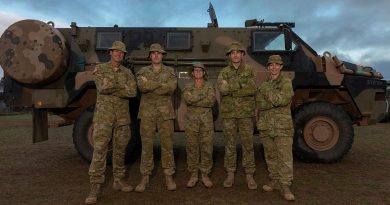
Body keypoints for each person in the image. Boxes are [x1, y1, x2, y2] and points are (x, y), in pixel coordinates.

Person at [85, 41, 137, 205]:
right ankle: (94, 188)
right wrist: (120, 86)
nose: (119, 54)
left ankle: (118, 180)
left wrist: (113, 85)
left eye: (122, 52)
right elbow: (102, 87)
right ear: (110, 52)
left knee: (120, 150)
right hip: (104, 118)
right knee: (99, 150)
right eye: (116, 51)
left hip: (122, 118)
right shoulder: (101, 68)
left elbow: (132, 92)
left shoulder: (128, 72)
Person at [135, 43, 177, 192]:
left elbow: (171, 88)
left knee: (167, 146)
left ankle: (168, 175)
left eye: (159, 53)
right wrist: (161, 85)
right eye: (153, 53)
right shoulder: (142, 71)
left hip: (165, 114)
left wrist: (151, 84)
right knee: (146, 146)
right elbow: (142, 87)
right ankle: (145, 177)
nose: (156, 55)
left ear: (162, 55)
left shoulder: (170, 71)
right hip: (147, 113)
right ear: (150, 56)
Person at [217, 42, 257, 190]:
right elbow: (222, 88)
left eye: (238, 52)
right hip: (229, 115)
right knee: (230, 145)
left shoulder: (250, 70)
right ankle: (230, 173)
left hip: (246, 114)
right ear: (229, 56)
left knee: (248, 145)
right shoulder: (224, 72)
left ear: (242, 55)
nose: (235, 54)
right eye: (232, 52)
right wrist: (241, 85)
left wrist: (232, 86)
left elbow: (252, 88)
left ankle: (249, 174)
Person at [256, 54, 295, 201]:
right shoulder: (266, 83)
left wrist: (268, 93)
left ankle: (285, 185)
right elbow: (261, 104)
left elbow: (281, 100)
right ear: (268, 67)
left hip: (282, 126)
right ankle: (274, 180)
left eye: (276, 64)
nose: (273, 67)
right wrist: (272, 98)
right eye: (271, 65)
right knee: (270, 156)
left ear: (281, 66)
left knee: (284, 157)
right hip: (266, 125)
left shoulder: (286, 83)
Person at [182, 62, 216, 188]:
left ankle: (205, 174)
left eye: (200, 70)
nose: (197, 72)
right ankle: (194, 175)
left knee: (207, 148)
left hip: (206, 122)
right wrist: (202, 97)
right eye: (195, 70)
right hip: (191, 122)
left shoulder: (209, 86)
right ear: (192, 73)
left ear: (204, 73)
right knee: (192, 148)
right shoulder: (187, 86)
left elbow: (211, 101)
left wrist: (195, 97)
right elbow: (187, 100)